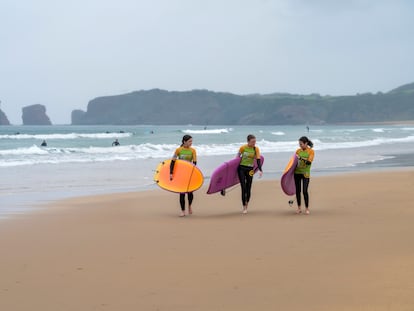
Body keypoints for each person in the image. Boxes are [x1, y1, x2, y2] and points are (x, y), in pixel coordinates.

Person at [170, 135, 197, 217]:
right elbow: (173, 161)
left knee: (190, 192)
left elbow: (195, 163)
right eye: (189, 141)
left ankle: (189, 206)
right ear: (184, 141)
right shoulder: (178, 150)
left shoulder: (193, 150)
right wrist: (171, 173)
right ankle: (183, 211)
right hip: (181, 174)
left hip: (189, 173)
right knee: (182, 193)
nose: (191, 143)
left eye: (191, 141)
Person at [237, 134, 263, 214]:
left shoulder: (256, 149)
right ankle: (244, 206)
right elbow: (237, 158)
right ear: (248, 141)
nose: (254, 143)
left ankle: (247, 203)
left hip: (250, 170)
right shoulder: (243, 148)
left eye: (255, 141)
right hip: (241, 168)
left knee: (248, 188)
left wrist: (260, 170)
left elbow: (258, 160)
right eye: (252, 142)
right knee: (243, 188)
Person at [294, 136, 315, 215]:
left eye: (301, 144)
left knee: (305, 191)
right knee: (297, 191)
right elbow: (294, 162)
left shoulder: (311, 151)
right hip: (297, 173)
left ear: (306, 143)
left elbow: (309, 162)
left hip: (305, 173)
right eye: (299, 144)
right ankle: (299, 208)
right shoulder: (297, 151)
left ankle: (307, 208)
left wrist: (300, 158)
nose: (300, 146)